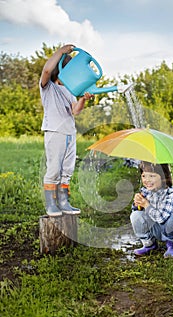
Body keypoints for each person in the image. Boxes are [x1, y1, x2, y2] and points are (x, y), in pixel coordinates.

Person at [39, 44, 94, 216]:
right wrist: (60, 52)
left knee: (67, 169)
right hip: (55, 132)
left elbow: (74, 111)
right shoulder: (48, 87)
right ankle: (51, 203)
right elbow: (46, 71)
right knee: (54, 168)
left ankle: (63, 201)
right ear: (60, 69)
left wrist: (83, 99)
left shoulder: (69, 90)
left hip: (70, 133)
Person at [130, 161, 173, 258]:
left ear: (163, 176)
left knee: (171, 220)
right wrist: (137, 203)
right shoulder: (145, 191)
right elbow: (138, 211)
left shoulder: (171, 193)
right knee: (135, 215)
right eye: (144, 176)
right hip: (160, 228)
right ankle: (149, 244)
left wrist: (147, 205)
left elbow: (162, 218)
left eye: (152, 176)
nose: (147, 180)